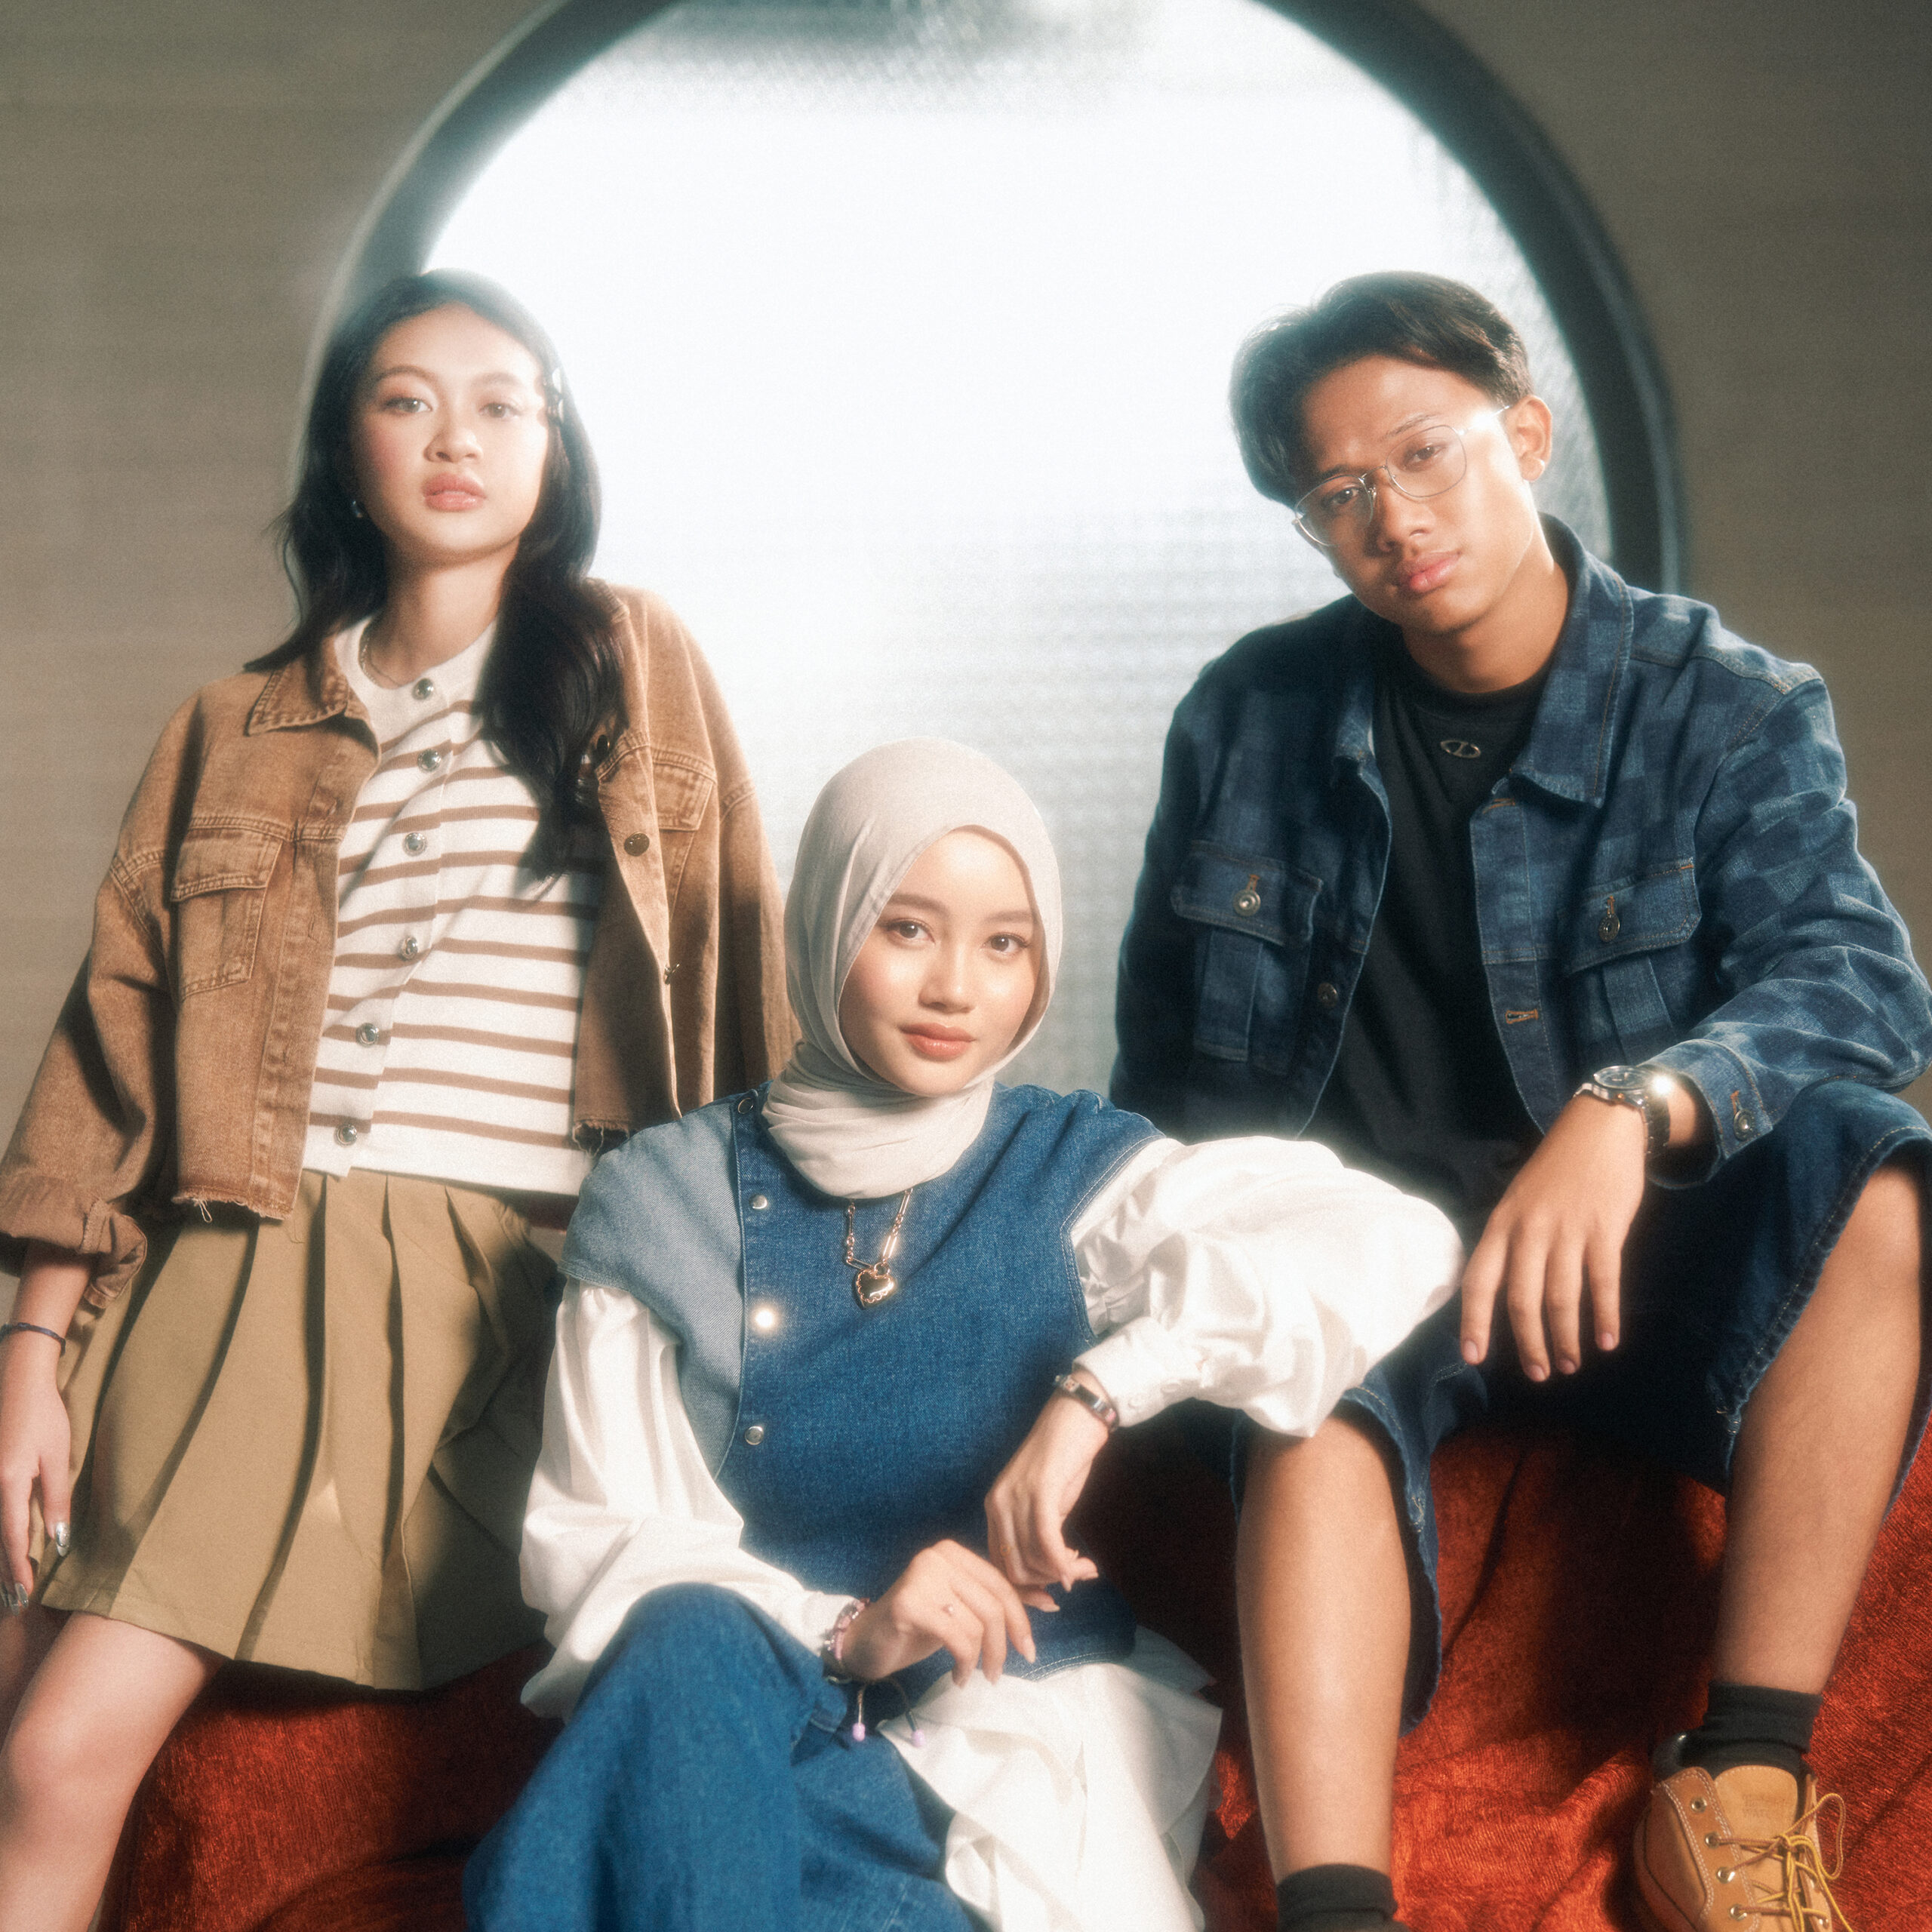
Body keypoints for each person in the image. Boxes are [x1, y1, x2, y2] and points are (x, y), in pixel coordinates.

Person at [1112, 270, 1932, 1932]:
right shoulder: (1248, 719)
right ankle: (1334, 1908)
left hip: (1633, 1257)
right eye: (1337, 494)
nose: (1393, 519)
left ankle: (1741, 1785)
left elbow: (1860, 981)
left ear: (1527, 432)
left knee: (1877, 1171)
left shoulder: (1724, 704)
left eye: (1423, 454)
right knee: (1304, 1364)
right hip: (1371, 1264)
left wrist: (1636, 1107)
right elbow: (1162, 1078)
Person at [0, 269, 792, 1931]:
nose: (456, 437)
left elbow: (736, 981)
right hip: (215, 1263)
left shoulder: (631, 662)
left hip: (492, 1281)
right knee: (23, 1719)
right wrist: (29, 1352)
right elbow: (107, 1056)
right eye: (407, 398)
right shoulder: (230, 725)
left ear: (553, 452)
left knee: (58, 1754)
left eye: (504, 403)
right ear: (346, 451)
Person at [463, 737, 1463, 1932]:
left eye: (1005, 944)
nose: (956, 989)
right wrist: (853, 1631)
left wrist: (1097, 1392)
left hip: (995, 1756)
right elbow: (602, 1547)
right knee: (685, 1637)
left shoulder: (1075, 1173)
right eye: (907, 929)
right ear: (826, 924)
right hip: (751, 1732)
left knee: (589, 1859)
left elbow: (1390, 1238)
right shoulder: (662, 1199)